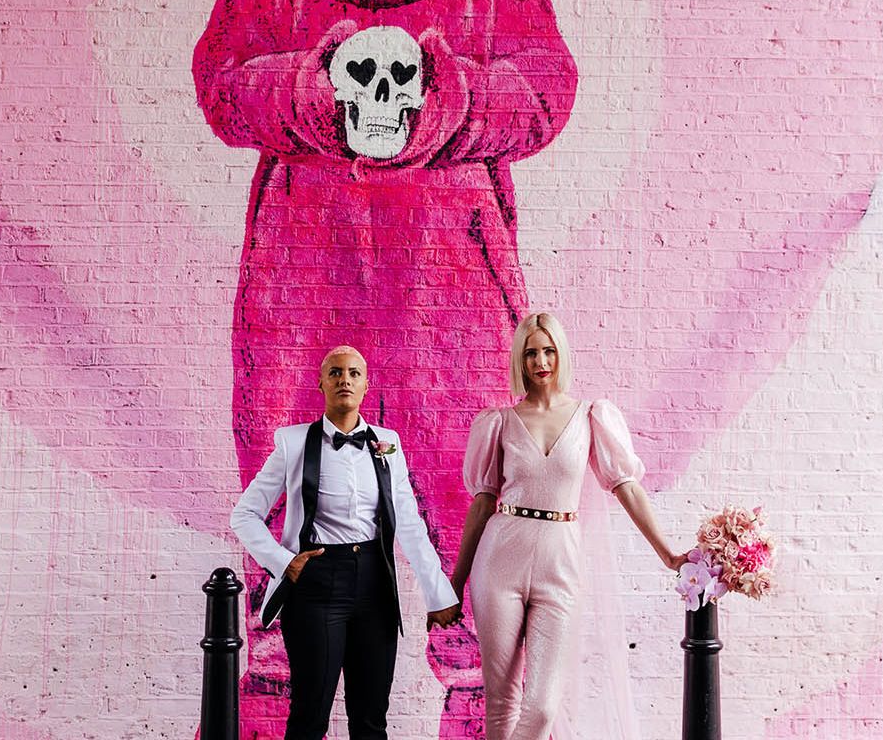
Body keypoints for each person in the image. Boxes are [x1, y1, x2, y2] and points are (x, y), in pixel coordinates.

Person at [448, 313, 687, 740]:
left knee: (541, 707)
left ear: (562, 354)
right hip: (500, 559)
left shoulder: (591, 416)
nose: (541, 360)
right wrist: (456, 581)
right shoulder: (499, 421)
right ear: (520, 360)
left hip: (561, 562)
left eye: (549, 350)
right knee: (502, 701)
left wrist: (668, 553)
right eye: (531, 352)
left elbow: (626, 487)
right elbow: (483, 503)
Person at [230, 345, 462, 740]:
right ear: (321, 383)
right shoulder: (293, 443)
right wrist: (284, 561)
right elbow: (244, 515)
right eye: (335, 373)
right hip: (317, 583)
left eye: (354, 373)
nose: (345, 380)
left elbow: (408, 521)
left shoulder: (387, 443)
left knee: (371, 719)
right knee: (310, 715)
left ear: (366, 385)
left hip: (375, 584)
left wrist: (439, 593)